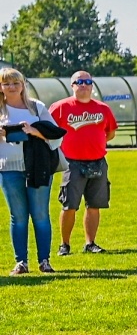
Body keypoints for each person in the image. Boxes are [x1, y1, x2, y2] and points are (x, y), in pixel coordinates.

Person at [1, 67, 66, 275]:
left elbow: (56, 136)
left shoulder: (36, 108)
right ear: (1, 87)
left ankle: (44, 261)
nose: (11, 87)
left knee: (40, 215)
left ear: (23, 85)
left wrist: (33, 131)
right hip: (8, 170)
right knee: (18, 217)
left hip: (38, 168)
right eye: (6, 83)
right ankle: (21, 262)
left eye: (15, 83)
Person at [51, 70, 117, 256]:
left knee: (94, 205)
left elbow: (110, 132)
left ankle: (90, 243)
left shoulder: (102, 108)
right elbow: (48, 129)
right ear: (72, 85)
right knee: (69, 205)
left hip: (97, 162)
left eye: (87, 81)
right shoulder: (61, 107)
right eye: (79, 81)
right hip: (71, 163)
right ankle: (64, 245)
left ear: (92, 85)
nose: (84, 85)